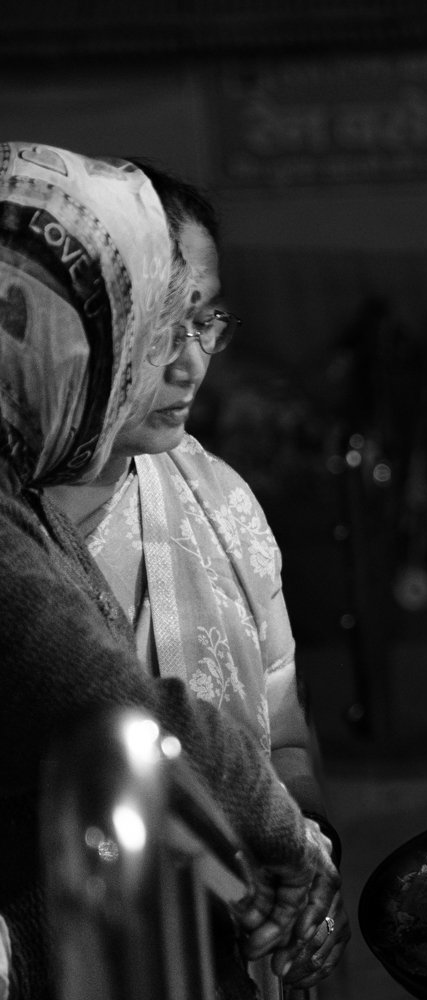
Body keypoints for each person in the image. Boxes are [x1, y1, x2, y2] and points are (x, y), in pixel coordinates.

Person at [0, 142, 338, 1000]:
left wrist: (307, 841)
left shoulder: (220, 506)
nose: (189, 363)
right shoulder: (20, 537)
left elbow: (284, 731)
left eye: (207, 322)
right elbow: (119, 715)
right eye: (158, 327)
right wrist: (278, 838)